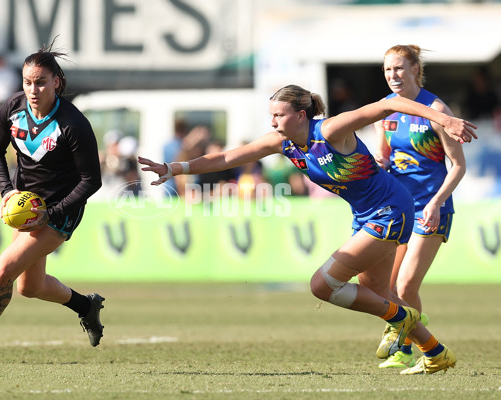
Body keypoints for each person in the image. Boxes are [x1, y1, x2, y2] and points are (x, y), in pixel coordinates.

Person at [138, 84, 477, 375]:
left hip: (391, 211)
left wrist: (444, 119)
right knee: (376, 290)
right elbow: (226, 158)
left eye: (279, 115)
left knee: (323, 285)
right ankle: (435, 353)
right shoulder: (282, 143)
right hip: (367, 214)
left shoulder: (329, 130)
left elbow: (387, 104)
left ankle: (402, 317)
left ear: (301, 115)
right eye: (271, 115)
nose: (272, 122)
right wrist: (174, 167)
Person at [0, 40, 104, 373]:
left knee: (2, 270)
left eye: (41, 82)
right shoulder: (13, 108)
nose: (33, 89)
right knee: (29, 287)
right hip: (27, 205)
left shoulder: (73, 124)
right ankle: (86, 307)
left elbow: (92, 181)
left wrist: (54, 212)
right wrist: (6, 191)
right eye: (28, 82)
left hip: (60, 210)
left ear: (57, 82)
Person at [372, 45, 467, 369]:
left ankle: (429, 352)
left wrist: (437, 202)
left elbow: (457, 165)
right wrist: (378, 163)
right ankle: (404, 347)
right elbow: (383, 155)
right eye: (387, 70)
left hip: (431, 209)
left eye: (399, 68)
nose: (392, 76)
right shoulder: (385, 109)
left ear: (415, 69)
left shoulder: (436, 109)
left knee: (405, 286)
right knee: (384, 288)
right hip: (399, 208)